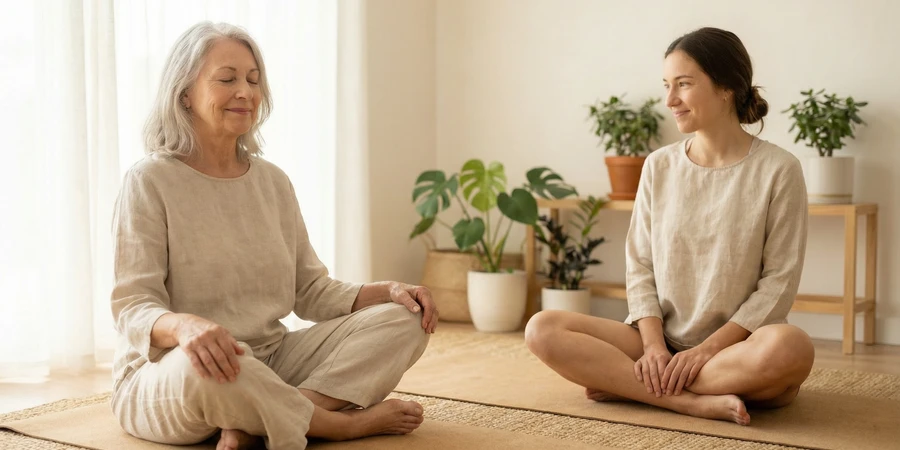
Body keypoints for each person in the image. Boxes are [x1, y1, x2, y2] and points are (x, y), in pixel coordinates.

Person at [110, 22, 438, 450]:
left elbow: (311, 290)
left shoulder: (273, 182)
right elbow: (133, 305)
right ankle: (338, 425)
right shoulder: (149, 180)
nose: (245, 92)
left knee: (407, 318)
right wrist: (186, 327)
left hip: (272, 361)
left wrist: (389, 291)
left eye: (253, 79)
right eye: (227, 79)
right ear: (184, 93)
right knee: (212, 363)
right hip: (174, 372)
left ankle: (259, 421)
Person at [525, 27, 814, 425]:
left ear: (726, 88)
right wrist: (653, 348)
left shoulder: (780, 169)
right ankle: (689, 402)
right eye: (667, 85)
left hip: (737, 348)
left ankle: (631, 386)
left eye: (684, 84)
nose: (670, 100)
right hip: (658, 342)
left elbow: (779, 283)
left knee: (791, 348)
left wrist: (705, 352)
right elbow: (640, 266)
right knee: (542, 328)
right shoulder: (658, 166)